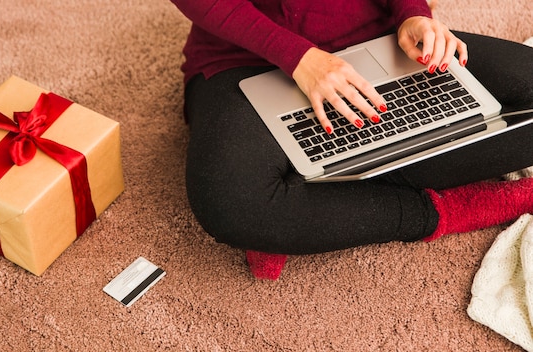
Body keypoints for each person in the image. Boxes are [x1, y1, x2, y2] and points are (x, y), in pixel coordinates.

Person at [169, 0, 533, 279]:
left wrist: (413, 13)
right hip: (249, 56)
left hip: (380, 37)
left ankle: (313, 201)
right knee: (230, 203)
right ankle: (439, 212)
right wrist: (299, 59)